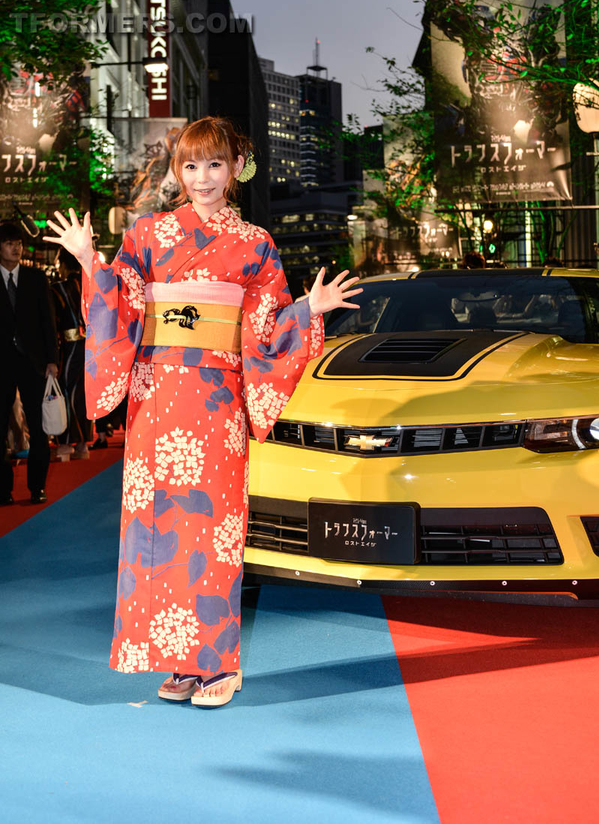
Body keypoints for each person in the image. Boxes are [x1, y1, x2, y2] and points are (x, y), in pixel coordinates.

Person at [43, 116, 362, 707]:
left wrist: (306, 310)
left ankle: (219, 665)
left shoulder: (255, 243)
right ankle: (179, 661)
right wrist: (91, 261)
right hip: (156, 398)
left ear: (237, 168)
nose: (203, 177)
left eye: (215, 164)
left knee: (212, 528)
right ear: (176, 172)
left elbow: (262, 333)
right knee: (157, 527)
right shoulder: (148, 235)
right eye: (190, 165)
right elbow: (121, 305)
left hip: (215, 400)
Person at [0, 221, 58, 505]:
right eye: (9, 242)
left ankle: (38, 487)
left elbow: (49, 321)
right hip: (1, 364)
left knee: (39, 426)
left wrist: (52, 360)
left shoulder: (36, 278)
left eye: (18, 243)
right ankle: (2, 490)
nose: (15, 247)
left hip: (33, 362)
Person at [52, 247, 92, 460]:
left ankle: (66, 443)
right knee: (84, 393)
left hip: (70, 348)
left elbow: (52, 322)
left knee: (65, 391)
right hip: (91, 347)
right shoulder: (90, 285)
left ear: (64, 265)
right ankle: (83, 444)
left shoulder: (59, 288)